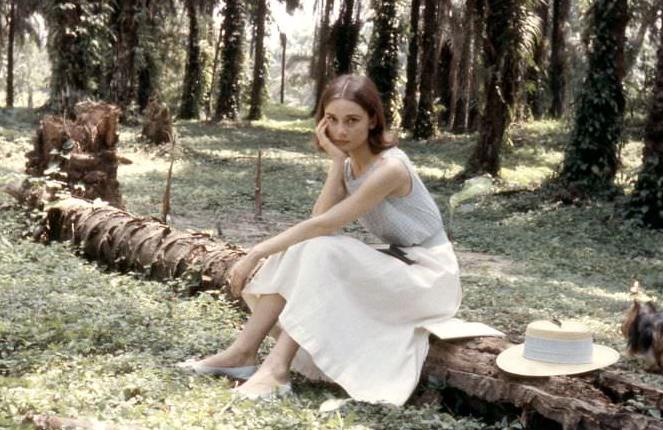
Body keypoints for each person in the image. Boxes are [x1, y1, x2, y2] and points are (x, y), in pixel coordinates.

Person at [180, 74, 461, 405]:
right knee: (308, 247)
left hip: (430, 278)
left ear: (373, 119)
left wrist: (256, 252)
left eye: (352, 120)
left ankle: (276, 370)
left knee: (322, 250)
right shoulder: (348, 166)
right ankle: (242, 352)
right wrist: (337, 163)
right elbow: (317, 224)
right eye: (332, 120)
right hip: (398, 263)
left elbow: (324, 224)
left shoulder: (391, 168)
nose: (341, 131)